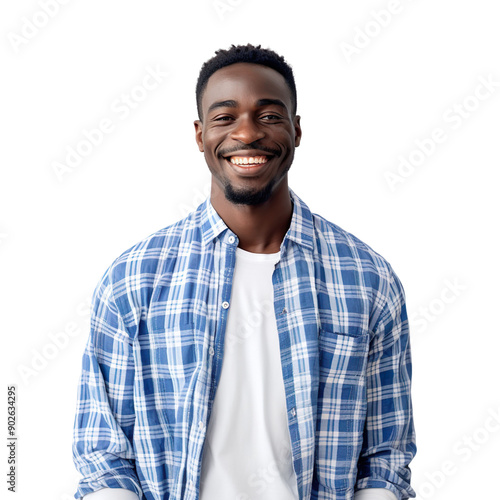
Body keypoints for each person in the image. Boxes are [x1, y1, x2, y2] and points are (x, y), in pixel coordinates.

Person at [72, 43, 417, 500]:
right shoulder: (133, 280)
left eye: (269, 116)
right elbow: (103, 457)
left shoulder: (369, 279)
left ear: (296, 130)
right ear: (200, 135)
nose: (247, 133)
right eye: (225, 117)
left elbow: (386, 459)